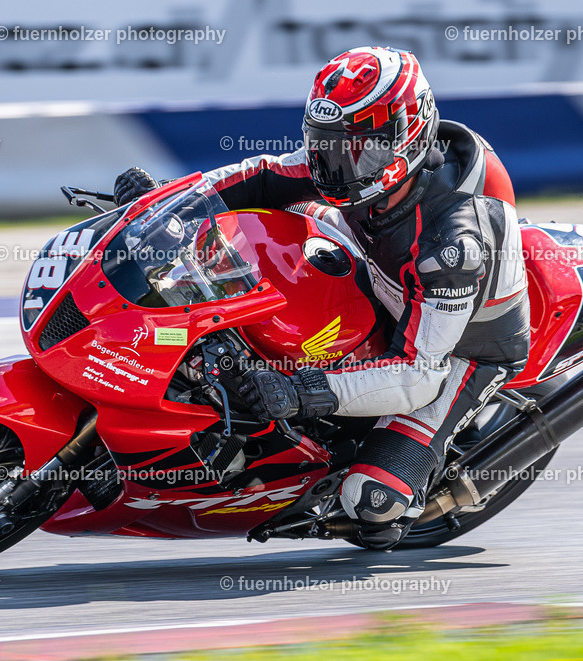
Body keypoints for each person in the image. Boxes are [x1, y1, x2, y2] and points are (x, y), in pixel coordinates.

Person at [112, 46, 529, 550]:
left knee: (372, 504)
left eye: (360, 148)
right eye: (326, 144)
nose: (336, 165)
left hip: (458, 348)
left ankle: (394, 486)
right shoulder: (357, 161)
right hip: (376, 270)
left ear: (409, 137)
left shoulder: (451, 245)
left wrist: (299, 392)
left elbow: (418, 374)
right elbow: (261, 176)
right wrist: (166, 201)